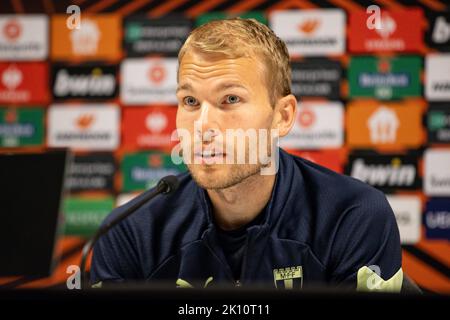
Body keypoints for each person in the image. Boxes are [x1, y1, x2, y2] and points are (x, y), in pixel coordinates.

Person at [91, 18, 403, 291]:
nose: (203, 126)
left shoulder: (353, 217)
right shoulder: (128, 231)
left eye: (230, 99)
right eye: (189, 102)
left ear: (282, 116)